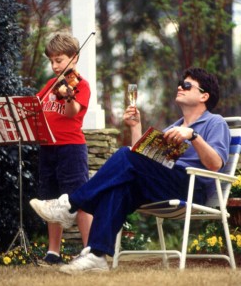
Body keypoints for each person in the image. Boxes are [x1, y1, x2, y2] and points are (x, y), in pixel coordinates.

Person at [30, 67, 230, 273]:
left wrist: (193, 136)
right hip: (166, 183)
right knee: (120, 186)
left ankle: (70, 204)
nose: (180, 86)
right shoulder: (174, 127)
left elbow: (215, 164)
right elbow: (143, 159)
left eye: (187, 85)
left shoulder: (215, 122)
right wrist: (136, 127)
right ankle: (96, 255)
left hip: (191, 187)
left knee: (125, 154)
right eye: (180, 83)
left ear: (204, 95)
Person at [33, 32, 93, 266]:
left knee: (79, 199)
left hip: (70, 148)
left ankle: (89, 251)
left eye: (59, 60)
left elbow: (72, 112)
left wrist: (68, 95)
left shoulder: (81, 85)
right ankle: (53, 253)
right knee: (51, 202)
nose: (55, 65)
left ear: (74, 58)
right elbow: (36, 107)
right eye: (52, 61)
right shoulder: (51, 85)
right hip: (48, 147)